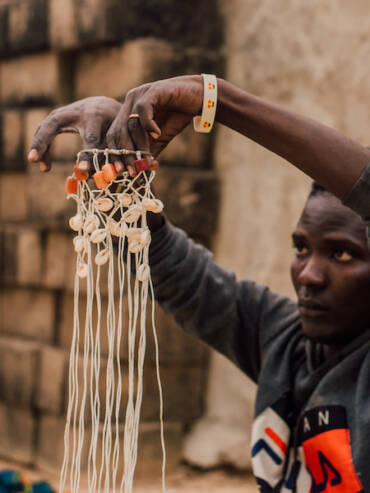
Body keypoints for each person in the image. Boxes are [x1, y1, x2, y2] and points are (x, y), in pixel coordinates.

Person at [27, 76, 370, 491]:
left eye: (343, 254)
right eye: (301, 248)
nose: (309, 275)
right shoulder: (284, 341)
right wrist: (114, 160)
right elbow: (173, 268)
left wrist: (214, 98)